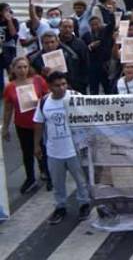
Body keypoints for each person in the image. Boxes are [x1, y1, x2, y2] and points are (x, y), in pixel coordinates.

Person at [33, 71, 92, 224]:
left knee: (81, 180)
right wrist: (36, 145)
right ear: (50, 87)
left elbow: (89, 115)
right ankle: (60, 207)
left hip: (75, 149)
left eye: (64, 84)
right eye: (57, 85)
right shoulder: (44, 102)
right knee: (57, 183)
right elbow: (39, 124)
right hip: (54, 151)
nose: (61, 88)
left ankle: (84, 204)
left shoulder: (75, 97)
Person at [2, 57, 49, 194]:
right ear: (13, 69)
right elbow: (8, 109)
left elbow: (48, 98)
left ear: (29, 68)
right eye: (19, 68)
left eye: (25, 67)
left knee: (42, 149)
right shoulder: (10, 87)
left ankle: (46, 172)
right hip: (22, 125)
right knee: (27, 152)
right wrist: (5, 128)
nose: (22, 70)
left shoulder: (38, 80)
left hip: (39, 123)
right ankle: (30, 178)